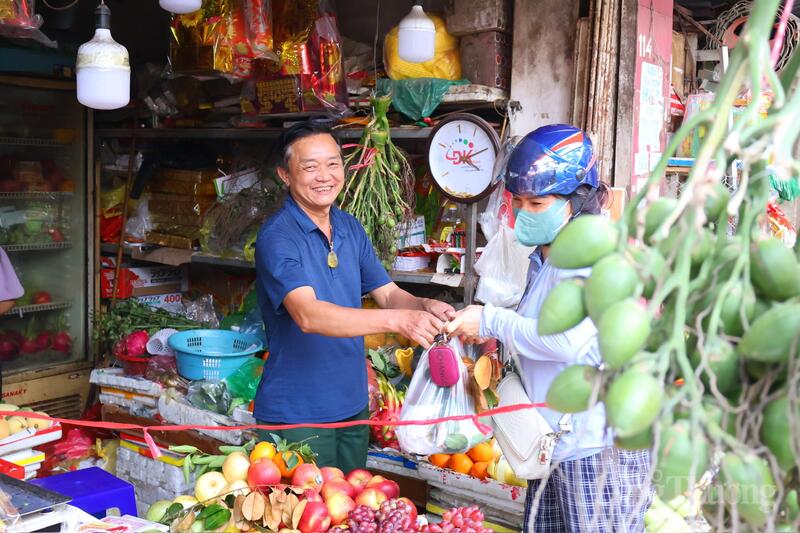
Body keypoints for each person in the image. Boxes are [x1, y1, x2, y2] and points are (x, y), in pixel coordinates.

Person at [446, 125, 652, 532]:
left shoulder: (590, 255)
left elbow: (566, 341)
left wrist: (491, 319)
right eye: (517, 202)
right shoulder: (547, 256)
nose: (523, 213)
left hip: (596, 453)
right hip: (554, 446)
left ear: (577, 201)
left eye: (537, 203)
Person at [254, 121, 454, 473]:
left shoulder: (349, 227)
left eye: (332, 164)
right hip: (298, 415)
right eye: (309, 166)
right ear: (285, 175)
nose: (324, 176)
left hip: (352, 407)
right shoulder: (278, 237)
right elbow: (308, 314)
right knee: (303, 523)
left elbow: (389, 294)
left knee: (350, 513)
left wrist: (424, 307)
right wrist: (397, 321)